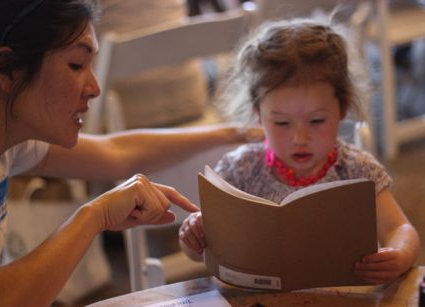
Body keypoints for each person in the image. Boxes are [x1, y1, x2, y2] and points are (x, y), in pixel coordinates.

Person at [0, 0, 263, 305]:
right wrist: (97, 214)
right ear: (7, 69)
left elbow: (117, 153)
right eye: (76, 65)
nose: (94, 87)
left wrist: (234, 133)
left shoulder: (3, 134)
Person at [179, 17, 420, 286]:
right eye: (282, 123)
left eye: (317, 121)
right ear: (259, 113)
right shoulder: (239, 170)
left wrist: (400, 253)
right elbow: (201, 252)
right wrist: (194, 237)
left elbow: (400, 228)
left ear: (342, 108)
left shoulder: (357, 170)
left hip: (341, 296)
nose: (300, 138)